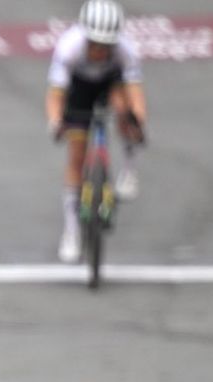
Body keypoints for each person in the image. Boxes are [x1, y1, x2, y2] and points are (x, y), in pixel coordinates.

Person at [47, 0, 146, 263]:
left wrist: (137, 122)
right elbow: (56, 95)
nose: (101, 51)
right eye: (95, 44)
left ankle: (129, 169)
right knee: (77, 155)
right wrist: (56, 122)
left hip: (110, 83)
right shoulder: (69, 48)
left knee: (124, 109)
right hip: (79, 88)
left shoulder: (125, 50)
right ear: (85, 37)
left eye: (107, 45)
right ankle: (72, 232)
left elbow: (135, 91)